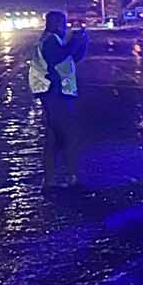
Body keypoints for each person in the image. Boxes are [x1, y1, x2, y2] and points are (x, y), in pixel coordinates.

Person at [29, 11, 90, 187]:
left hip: (58, 93)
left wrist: (82, 43)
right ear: (55, 24)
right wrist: (75, 42)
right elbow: (58, 57)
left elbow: (72, 58)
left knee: (55, 137)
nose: (65, 28)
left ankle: (52, 179)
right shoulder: (50, 40)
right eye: (63, 24)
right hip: (55, 93)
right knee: (67, 135)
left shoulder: (54, 40)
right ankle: (70, 178)